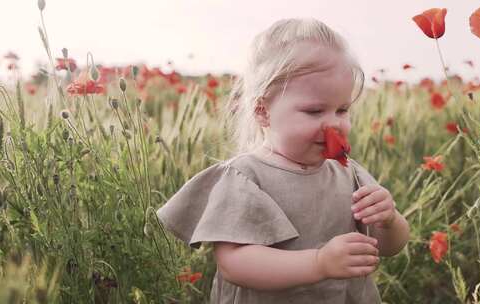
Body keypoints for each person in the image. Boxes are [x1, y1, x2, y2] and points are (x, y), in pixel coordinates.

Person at [156, 18, 410, 304]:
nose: (334, 124)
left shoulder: (349, 174)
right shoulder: (246, 178)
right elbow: (234, 263)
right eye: (315, 111)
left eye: (342, 109)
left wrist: (389, 220)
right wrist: (319, 263)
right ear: (263, 111)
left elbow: (390, 247)